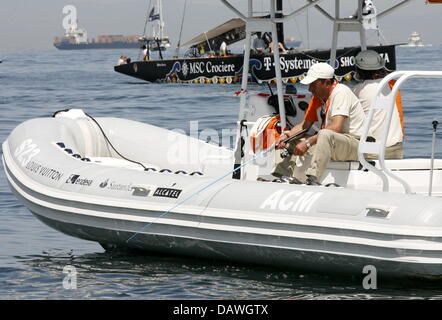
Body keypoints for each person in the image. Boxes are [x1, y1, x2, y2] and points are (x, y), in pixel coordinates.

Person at [273, 62, 366, 185]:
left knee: (324, 134)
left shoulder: (341, 92)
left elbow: (336, 127)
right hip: (334, 142)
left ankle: (313, 178)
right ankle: (282, 176)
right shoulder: (318, 97)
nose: (309, 89)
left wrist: (308, 142)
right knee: (291, 139)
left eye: (313, 85)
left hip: (355, 144)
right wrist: (286, 136)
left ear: (327, 83)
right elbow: (303, 126)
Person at [352, 50, 404, 159]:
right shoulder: (391, 86)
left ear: (358, 70)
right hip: (396, 147)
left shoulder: (357, 91)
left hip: (373, 149)